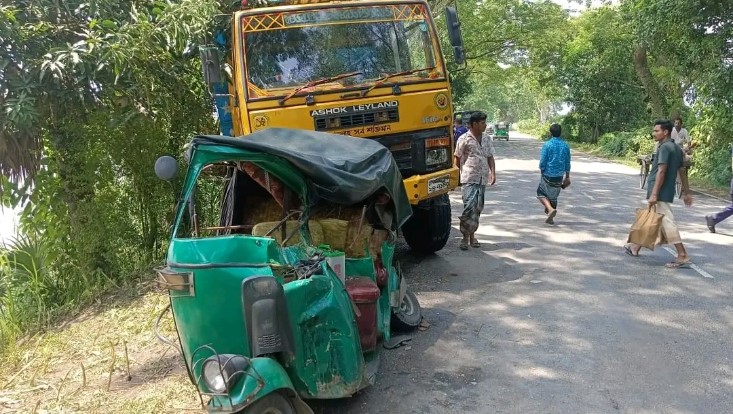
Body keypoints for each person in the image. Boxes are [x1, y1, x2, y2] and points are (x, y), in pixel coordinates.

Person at [624, 119, 693, 268]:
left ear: (665, 132)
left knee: (667, 222)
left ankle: (682, 254)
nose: (654, 133)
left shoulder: (664, 148)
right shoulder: (676, 148)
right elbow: (682, 172)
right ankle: (635, 247)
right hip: (664, 191)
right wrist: (686, 192)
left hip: (660, 191)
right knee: (653, 218)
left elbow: (661, 171)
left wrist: (654, 194)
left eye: (656, 131)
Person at [454, 111, 496, 250]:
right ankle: (465, 237)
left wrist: (493, 173)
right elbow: (457, 157)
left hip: (482, 178)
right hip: (468, 177)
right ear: (474, 124)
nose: (485, 125)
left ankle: (472, 236)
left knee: (478, 208)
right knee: (468, 207)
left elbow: (490, 156)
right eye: (483, 123)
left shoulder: (487, 139)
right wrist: (456, 176)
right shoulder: (463, 138)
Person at [537, 123, 571, 224]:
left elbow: (543, 161)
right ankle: (550, 218)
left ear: (550, 132)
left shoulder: (547, 145)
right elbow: (567, 162)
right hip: (559, 176)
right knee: (553, 196)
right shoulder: (565, 145)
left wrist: (542, 169)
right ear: (560, 133)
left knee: (540, 193)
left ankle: (550, 209)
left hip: (548, 174)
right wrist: (567, 177)